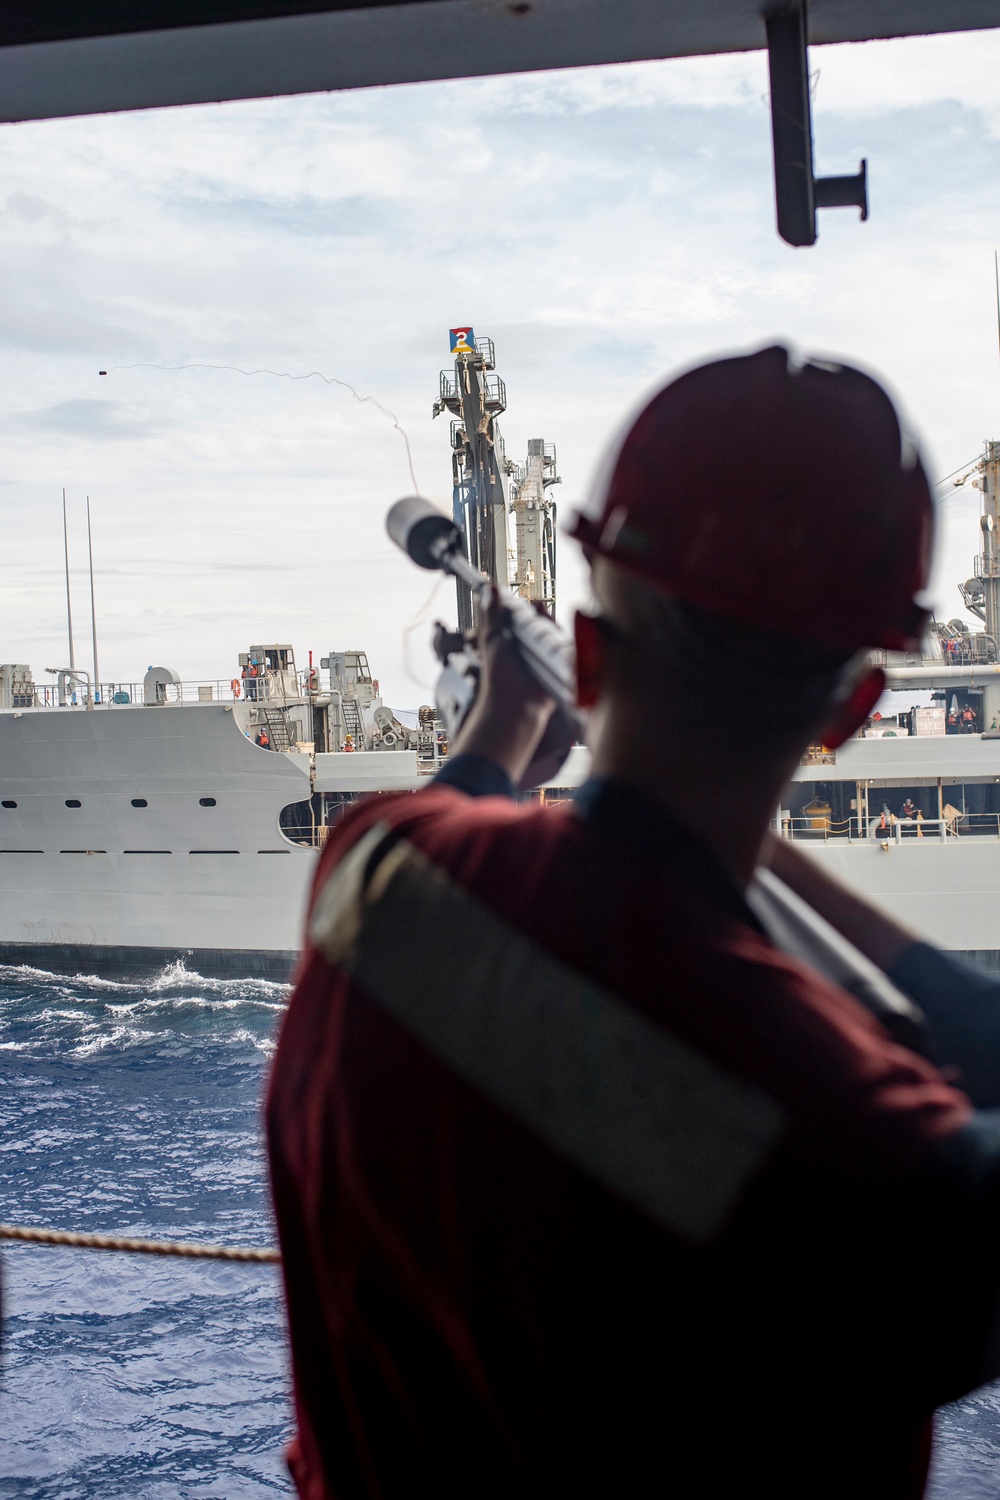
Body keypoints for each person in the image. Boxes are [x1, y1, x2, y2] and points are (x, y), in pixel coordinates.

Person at [267, 346, 1000, 1500]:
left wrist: (508, 729)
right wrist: (744, 835)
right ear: (855, 711)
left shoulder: (374, 874)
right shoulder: (870, 1152)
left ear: (593, 655)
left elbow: (450, 807)